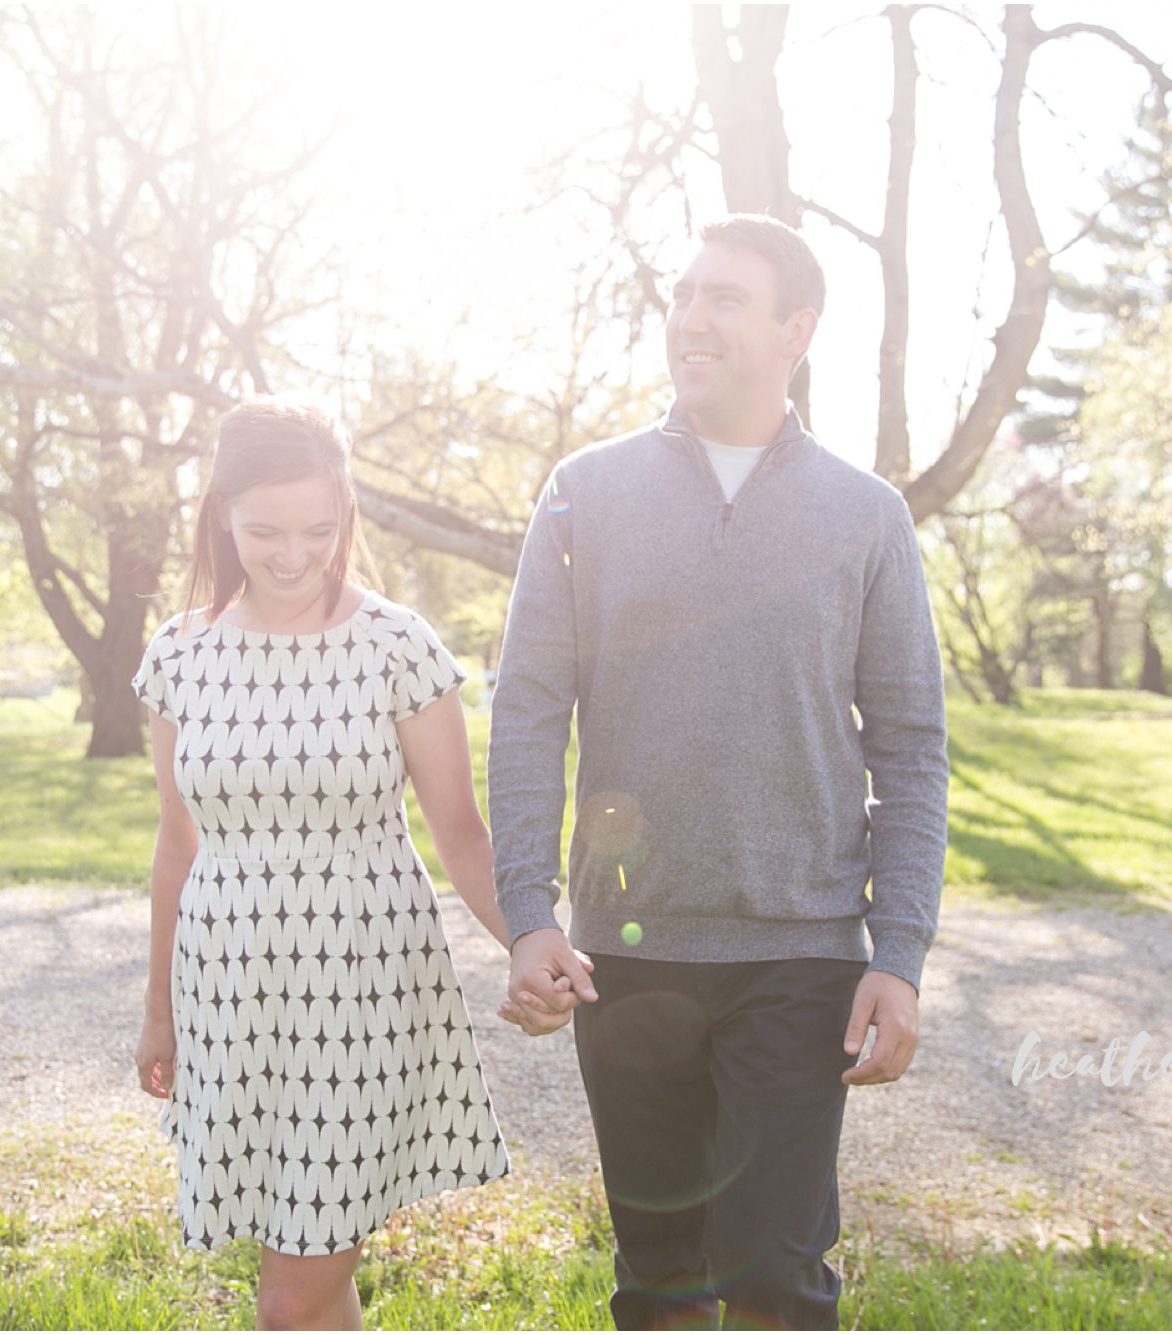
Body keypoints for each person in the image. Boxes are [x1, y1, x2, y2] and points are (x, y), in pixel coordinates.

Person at [488, 214, 950, 1330]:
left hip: (797, 952)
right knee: (658, 1280)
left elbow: (909, 744)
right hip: (628, 953)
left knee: (773, 1274)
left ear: (796, 328)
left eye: (724, 298)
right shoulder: (584, 492)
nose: (691, 319)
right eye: (683, 295)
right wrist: (526, 913)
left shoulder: (865, 513)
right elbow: (527, 711)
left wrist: (899, 950)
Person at [131, 399, 512, 1331]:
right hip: (227, 988)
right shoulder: (178, 655)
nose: (293, 554)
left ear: (345, 512)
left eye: (318, 528)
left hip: (362, 986)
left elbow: (461, 832)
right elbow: (177, 845)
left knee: (293, 1288)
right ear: (222, 514)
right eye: (264, 529)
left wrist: (539, 940)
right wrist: (159, 1009)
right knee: (306, 1262)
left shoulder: (397, 643)